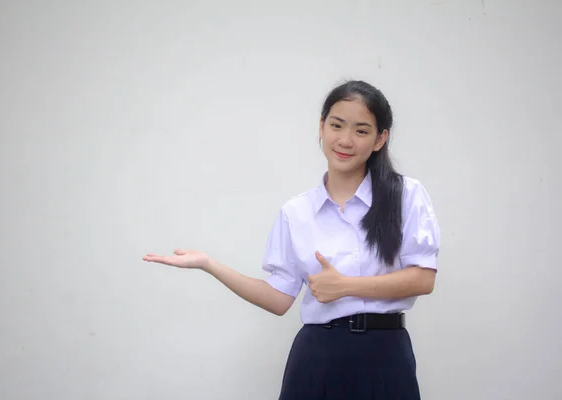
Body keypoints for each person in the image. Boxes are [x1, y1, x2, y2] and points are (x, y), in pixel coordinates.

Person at [143, 80, 441, 399]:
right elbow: (278, 299)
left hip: (384, 355)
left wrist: (346, 286)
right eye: (336, 125)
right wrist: (208, 264)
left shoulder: (405, 195)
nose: (345, 140)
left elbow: (422, 279)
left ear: (380, 139)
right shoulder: (296, 212)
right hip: (317, 356)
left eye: (361, 130)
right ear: (321, 127)